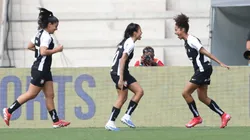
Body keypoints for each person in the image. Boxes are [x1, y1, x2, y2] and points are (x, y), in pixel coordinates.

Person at [2, 8, 70, 128]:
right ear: (49, 24)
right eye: (55, 26)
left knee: (50, 95)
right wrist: (57, 50)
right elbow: (43, 52)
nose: (56, 28)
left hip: (45, 70)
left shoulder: (39, 33)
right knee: (31, 94)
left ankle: (56, 121)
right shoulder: (46, 37)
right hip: (40, 69)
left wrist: (38, 50)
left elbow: (30, 46)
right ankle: (9, 110)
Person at [173, 13, 231, 128]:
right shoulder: (186, 42)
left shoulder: (191, 40)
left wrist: (220, 62)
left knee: (185, 93)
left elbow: (205, 52)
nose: (175, 32)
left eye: (176, 30)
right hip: (203, 69)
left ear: (182, 29)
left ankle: (196, 117)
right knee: (202, 97)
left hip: (203, 69)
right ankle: (224, 115)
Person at [105, 23, 144, 131]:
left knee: (139, 91)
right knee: (122, 97)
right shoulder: (130, 43)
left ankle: (127, 116)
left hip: (123, 72)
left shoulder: (126, 41)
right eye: (140, 31)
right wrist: (121, 79)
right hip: (119, 73)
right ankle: (111, 122)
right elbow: (122, 60)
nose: (141, 33)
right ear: (135, 32)